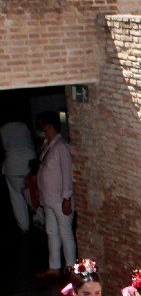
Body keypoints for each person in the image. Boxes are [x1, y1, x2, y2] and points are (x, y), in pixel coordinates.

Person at [35, 110, 76, 278]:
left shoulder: (61, 147)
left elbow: (67, 173)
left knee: (65, 233)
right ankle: (54, 266)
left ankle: (71, 268)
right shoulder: (48, 145)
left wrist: (66, 197)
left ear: (49, 126)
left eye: (42, 125)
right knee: (51, 232)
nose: (41, 129)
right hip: (49, 198)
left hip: (61, 199)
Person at [1, 118, 36, 234]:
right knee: (32, 191)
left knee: (17, 197)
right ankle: (39, 218)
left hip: (12, 165)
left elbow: (4, 145)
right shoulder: (24, 125)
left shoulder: (3, 129)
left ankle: (24, 226)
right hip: (29, 162)